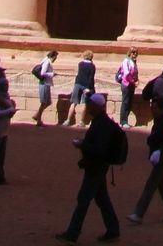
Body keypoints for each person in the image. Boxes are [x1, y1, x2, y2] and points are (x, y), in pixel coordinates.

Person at [56, 93, 121, 244]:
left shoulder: (101, 124)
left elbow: (99, 149)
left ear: (97, 107)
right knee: (102, 199)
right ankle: (113, 230)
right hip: (98, 166)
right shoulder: (101, 122)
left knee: (83, 200)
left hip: (96, 167)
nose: (89, 107)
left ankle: (72, 233)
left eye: (91, 104)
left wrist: (82, 144)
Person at [127, 96, 163, 226]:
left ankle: (139, 214)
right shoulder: (161, 121)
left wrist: (151, 140)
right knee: (162, 188)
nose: (152, 109)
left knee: (150, 186)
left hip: (161, 159)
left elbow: (154, 140)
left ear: (162, 109)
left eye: (155, 107)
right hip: (161, 158)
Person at [65, 51, 97, 127]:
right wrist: (90, 88)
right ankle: (81, 122)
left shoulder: (80, 64)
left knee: (74, 103)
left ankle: (68, 120)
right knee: (84, 103)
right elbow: (91, 78)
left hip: (78, 84)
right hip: (86, 86)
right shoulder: (92, 66)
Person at [34, 49, 59, 126]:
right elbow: (43, 73)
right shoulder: (47, 62)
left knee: (47, 102)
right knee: (44, 102)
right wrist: (52, 74)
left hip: (46, 84)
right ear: (53, 56)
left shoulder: (46, 61)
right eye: (55, 57)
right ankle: (38, 120)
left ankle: (37, 115)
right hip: (44, 83)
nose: (56, 59)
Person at [117, 48, 140, 128]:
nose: (135, 54)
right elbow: (126, 74)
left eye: (136, 53)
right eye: (133, 53)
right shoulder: (126, 61)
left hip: (131, 85)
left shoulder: (133, 62)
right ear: (130, 53)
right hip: (126, 84)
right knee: (125, 102)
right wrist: (133, 81)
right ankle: (123, 121)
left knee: (129, 103)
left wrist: (136, 81)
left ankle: (125, 120)